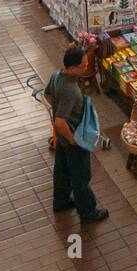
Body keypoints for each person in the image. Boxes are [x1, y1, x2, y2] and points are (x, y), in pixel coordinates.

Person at [44, 46, 109, 224]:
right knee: (81, 176)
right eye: (83, 66)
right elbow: (59, 121)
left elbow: (48, 95)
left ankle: (61, 201)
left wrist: (59, 108)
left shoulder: (57, 76)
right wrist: (73, 139)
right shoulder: (70, 90)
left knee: (62, 170)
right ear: (72, 67)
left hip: (62, 138)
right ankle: (88, 212)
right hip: (73, 138)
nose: (86, 68)